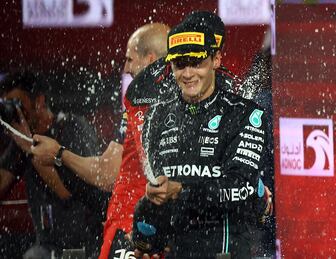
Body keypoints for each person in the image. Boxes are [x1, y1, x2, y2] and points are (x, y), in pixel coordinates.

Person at [29, 23, 170, 259]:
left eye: (129, 59)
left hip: (132, 229)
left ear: (150, 59)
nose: (126, 69)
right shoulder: (179, 103)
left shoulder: (141, 106)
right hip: (148, 228)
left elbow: (107, 174)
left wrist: (58, 153)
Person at [140, 22, 269, 258]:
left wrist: (181, 190)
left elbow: (240, 188)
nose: (188, 74)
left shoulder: (245, 114)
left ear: (216, 60)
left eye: (197, 62)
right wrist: (148, 239)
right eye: (180, 65)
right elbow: (160, 198)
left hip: (227, 253)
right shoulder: (156, 118)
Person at [0, 71, 109, 258]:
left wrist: (27, 145)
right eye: (9, 105)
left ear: (39, 101)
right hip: (46, 245)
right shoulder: (22, 140)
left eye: (17, 104)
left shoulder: (73, 127)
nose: (15, 111)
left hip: (84, 245)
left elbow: (65, 191)